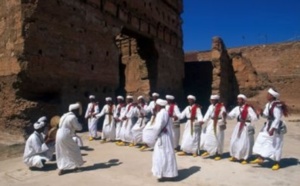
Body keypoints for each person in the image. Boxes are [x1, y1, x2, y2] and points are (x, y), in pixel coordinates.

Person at [251, 88, 288, 170]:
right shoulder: (268, 104)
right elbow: (266, 116)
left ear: (272, 96)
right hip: (268, 125)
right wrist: (261, 113)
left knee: (276, 144)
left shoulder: (276, 105)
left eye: (268, 94)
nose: (267, 96)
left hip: (276, 127)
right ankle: (261, 157)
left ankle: (276, 162)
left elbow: (277, 118)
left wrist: (273, 128)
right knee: (262, 139)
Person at [150, 99, 178, 181]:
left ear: (159, 105)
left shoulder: (160, 114)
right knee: (168, 154)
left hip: (162, 137)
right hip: (167, 137)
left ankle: (161, 173)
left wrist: (153, 135)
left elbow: (158, 127)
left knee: (160, 155)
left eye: (156, 105)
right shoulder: (166, 112)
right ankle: (170, 173)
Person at [227, 94, 258, 164]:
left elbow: (254, 117)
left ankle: (245, 158)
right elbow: (230, 117)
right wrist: (225, 114)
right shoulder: (236, 108)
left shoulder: (248, 108)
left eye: (239, 99)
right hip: (238, 126)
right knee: (234, 140)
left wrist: (251, 125)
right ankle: (235, 155)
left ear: (243, 100)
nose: (238, 101)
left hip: (246, 126)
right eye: (237, 99)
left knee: (245, 142)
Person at [56, 102, 85, 175]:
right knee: (75, 149)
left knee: (62, 151)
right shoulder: (72, 117)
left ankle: (61, 168)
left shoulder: (63, 116)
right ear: (75, 110)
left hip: (58, 133)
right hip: (65, 134)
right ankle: (75, 166)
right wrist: (81, 124)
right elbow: (78, 127)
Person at [200, 95, 227, 160]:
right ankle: (209, 151)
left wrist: (224, 118)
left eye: (213, 100)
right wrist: (203, 121)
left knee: (218, 138)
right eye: (211, 100)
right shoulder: (210, 106)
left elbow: (224, 114)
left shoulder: (221, 106)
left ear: (217, 100)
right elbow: (207, 114)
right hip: (211, 122)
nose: (211, 101)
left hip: (218, 122)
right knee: (209, 136)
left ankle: (218, 153)